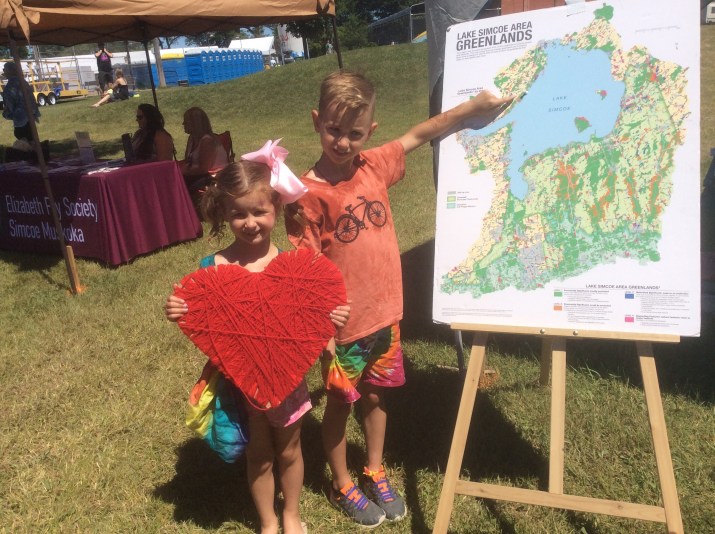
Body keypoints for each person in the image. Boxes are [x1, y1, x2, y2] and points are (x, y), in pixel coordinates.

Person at [285, 71, 513, 528]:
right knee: (340, 404)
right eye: (333, 129)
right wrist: (320, 332)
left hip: (386, 319)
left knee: (376, 397)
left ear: (369, 131)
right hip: (343, 331)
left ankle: (374, 468)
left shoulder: (374, 165)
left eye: (354, 133)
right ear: (316, 121)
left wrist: (472, 108)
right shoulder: (305, 196)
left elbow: (419, 134)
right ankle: (341, 481)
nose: (342, 142)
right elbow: (302, 273)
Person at [165, 141, 350, 534]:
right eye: (238, 214)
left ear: (276, 209)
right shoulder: (213, 269)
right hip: (239, 385)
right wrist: (178, 309)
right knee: (259, 455)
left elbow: (315, 318)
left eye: (259, 212)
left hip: (288, 382)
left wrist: (333, 317)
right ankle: (268, 520)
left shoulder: (293, 269)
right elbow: (201, 315)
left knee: (290, 449)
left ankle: (291, 514)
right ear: (224, 214)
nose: (250, 222)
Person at [179, 106, 229, 193]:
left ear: (195, 123)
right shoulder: (192, 138)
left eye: (186, 121)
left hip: (215, 176)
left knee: (182, 187)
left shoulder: (207, 140)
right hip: (199, 175)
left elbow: (204, 168)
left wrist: (184, 171)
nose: (183, 124)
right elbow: (188, 161)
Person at [1, 61, 40, 145]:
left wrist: (6, 114)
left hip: (21, 119)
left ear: (11, 71)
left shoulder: (10, 86)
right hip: (31, 117)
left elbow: (10, 106)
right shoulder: (24, 82)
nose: (3, 71)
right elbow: (32, 99)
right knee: (32, 140)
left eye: (5, 69)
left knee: (24, 142)